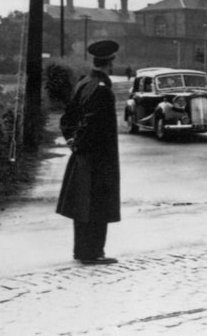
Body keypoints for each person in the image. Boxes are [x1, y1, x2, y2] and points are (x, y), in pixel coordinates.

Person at [56, 40, 121, 264]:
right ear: (110, 62)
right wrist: (80, 143)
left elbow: (68, 119)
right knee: (97, 205)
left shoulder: (83, 83)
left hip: (84, 156)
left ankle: (82, 250)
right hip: (99, 158)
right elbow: (93, 125)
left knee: (82, 204)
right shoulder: (102, 90)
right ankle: (93, 252)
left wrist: (73, 142)